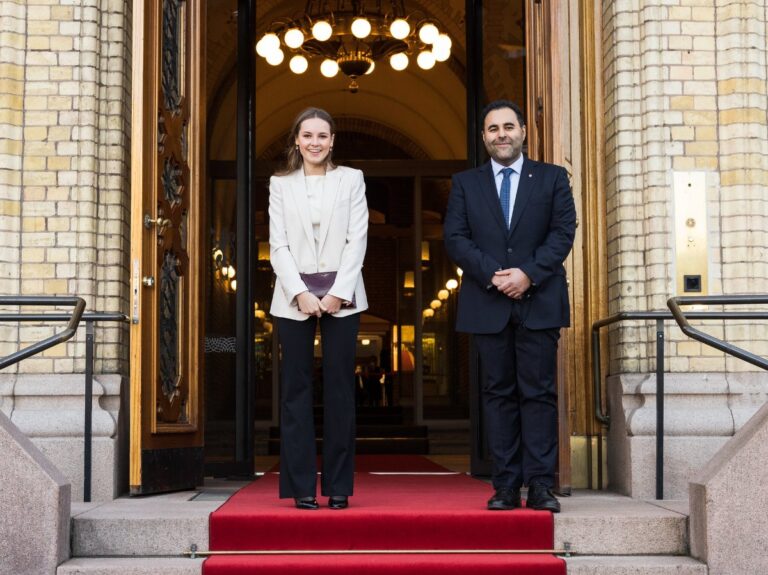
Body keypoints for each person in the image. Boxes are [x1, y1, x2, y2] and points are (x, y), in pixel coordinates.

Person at [443, 100, 576, 513]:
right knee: (497, 395)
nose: (501, 134)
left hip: (539, 301)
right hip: (487, 301)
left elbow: (562, 232)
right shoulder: (466, 183)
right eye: (492, 128)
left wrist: (528, 274)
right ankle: (504, 485)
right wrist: (497, 274)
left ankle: (539, 484)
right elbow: (456, 237)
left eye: (508, 126)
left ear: (522, 132)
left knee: (538, 394)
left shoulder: (553, 178)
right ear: (484, 137)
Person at [269, 107, 369, 510]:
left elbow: (357, 239)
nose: (315, 142)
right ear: (296, 139)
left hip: (342, 298)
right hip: (293, 298)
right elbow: (278, 244)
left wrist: (336, 293)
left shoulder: (351, 180)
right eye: (307, 135)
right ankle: (301, 487)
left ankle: (340, 486)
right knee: (295, 392)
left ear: (332, 141)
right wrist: (300, 293)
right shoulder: (280, 184)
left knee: (341, 391)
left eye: (322, 136)